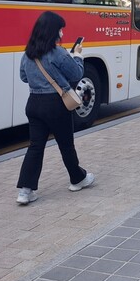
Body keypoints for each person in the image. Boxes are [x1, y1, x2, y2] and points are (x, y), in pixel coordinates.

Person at [15, 11, 94, 205]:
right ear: (53, 31)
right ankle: (78, 179)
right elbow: (76, 73)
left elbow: (24, 77)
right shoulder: (57, 52)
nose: (62, 34)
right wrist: (77, 56)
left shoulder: (28, 53)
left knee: (35, 146)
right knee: (66, 145)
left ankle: (25, 191)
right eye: (60, 29)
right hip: (56, 104)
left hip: (34, 104)